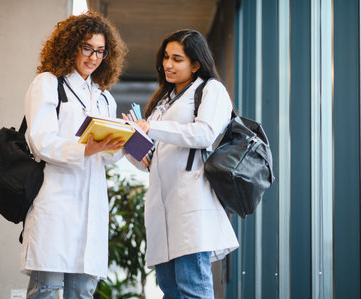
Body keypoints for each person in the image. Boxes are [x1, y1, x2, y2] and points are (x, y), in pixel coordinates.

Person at [124, 29, 239, 299]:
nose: (168, 64)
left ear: (196, 64)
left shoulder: (210, 90)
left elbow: (205, 133)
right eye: (165, 57)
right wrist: (133, 142)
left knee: (193, 290)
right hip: (161, 210)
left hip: (190, 207)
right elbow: (151, 161)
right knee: (170, 291)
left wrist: (152, 127)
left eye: (177, 59)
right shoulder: (162, 100)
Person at [20, 11, 127, 298]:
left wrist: (123, 142)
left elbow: (108, 157)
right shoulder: (48, 83)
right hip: (56, 201)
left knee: (81, 293)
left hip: (91, 207)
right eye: (87, 48)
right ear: (70, 46)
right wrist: (85, 149)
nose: (94, 57)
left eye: (101, 51)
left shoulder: (104, 97)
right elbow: (40, 140)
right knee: (46, 290)